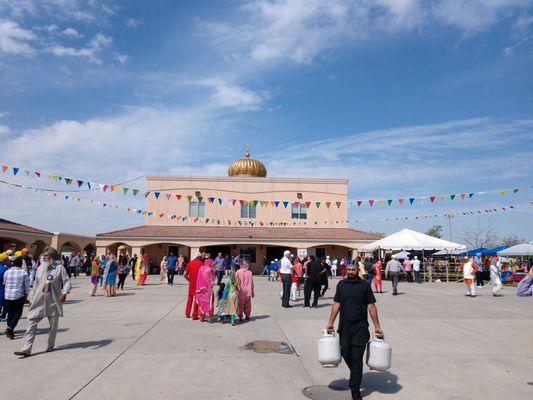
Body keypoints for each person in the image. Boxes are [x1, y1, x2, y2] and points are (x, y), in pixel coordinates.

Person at [325, 262, 384, 400]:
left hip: (360, 328)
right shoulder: (341, 285)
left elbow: (371, 307)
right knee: (345, 354)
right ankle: (356, 374)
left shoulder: (364, 286)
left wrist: (377, 327)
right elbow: (336, 304)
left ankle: (355, 390)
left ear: (358, 270)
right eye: (349, 269)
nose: (351, 272)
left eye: (353, 270)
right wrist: (330, 322)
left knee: (357, 359)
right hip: (344, 328)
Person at [14, 247, 71, 357]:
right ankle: (26, 349)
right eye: (44, 255)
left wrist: (64, 293)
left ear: (52, 257)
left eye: (47, 255)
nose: (44, 257)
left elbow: (67, 281)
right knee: (31, 323)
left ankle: (50, 346)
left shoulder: (59, 268)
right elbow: (36, 285)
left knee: (53, 327)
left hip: (53, 301)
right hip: (39, 300)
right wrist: (32, 299)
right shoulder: (40, 269)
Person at [3, 256, 30, 339]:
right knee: (18, 313)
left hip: (7, 295)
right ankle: (10, 329)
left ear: (13, 264)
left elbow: (4, 282)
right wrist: (26, 296)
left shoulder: (7, 272)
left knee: (10, 313)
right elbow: (27, 286)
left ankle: (8, 328)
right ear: (21, 265)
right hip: (18, 295)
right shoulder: (24, 273)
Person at [184, 251, 203, 319]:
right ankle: (194, 315)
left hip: (191, 283)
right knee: (197, 299)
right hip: (198, 284)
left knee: (190, 298)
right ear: (200, 257)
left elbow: (184, 274)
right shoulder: (201, 264)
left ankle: (187, 313)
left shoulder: (190, 263)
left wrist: (189, 280)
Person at [0, 252, 9, 322]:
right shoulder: (5, 269)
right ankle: (3, 316)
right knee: (5, 303)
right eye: (7, 259)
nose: (8, 261)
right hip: (2, 289)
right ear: (3, 260)